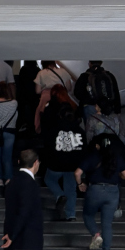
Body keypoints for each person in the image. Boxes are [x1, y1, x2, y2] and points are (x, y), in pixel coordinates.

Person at [76, 135, 125, 250]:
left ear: (97, 146)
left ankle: (96, 234)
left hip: (95, 190)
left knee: (88, 215)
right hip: (112, 192)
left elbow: (77, 173)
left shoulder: (92, 157)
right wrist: (117, 175)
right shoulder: (117, 158)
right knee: (107, 224)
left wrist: (80, 184)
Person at [39, 84, 84, 221]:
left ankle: (59, 195)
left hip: (56, 163)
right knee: (71, 188)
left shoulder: (54, 129)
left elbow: (48, 144)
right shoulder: (79, 131)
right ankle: (71, 214)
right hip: (73, 164)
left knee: (49, 179)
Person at [74, 59, 121, 124]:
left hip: (91, 108)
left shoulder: (84, 76)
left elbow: (77, 93)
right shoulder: (109, 75)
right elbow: (116, 93)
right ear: (101, 63)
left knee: (92, 128)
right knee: (108, 127)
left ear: (90, 63)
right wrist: (118, 111)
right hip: (108, 107)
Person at [33, 60, 76, 129]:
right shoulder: (63, 71)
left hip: (46, 98)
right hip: (61, 97)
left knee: (45, 118)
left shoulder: (41, 73)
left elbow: (37, 91)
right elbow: (69, 88)